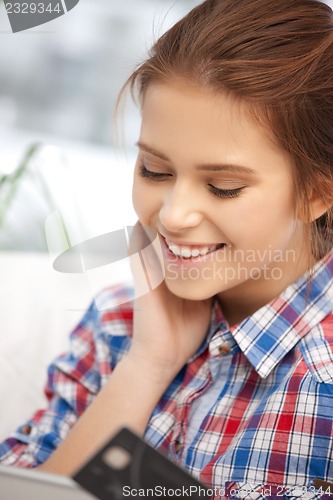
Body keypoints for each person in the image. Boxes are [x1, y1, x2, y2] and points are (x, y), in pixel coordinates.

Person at [1, 0, 333, 497]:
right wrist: (148, 363)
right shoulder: (116, 326)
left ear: (317, 194)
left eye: (222, 185)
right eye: (154, 171)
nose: (174, 216)